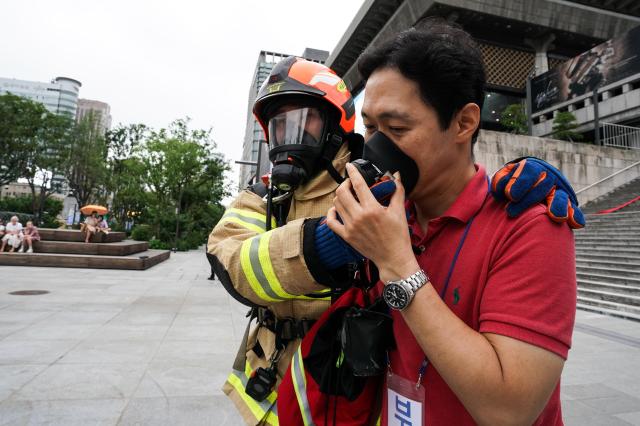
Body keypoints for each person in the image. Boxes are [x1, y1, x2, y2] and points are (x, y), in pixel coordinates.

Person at [326, 18, 578, 425]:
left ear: (463, 123)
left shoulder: (529, 223)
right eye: (370, 127)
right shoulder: (382, 216)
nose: (375, 147)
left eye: (396, 128)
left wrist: (397, 264)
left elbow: (508, 410)